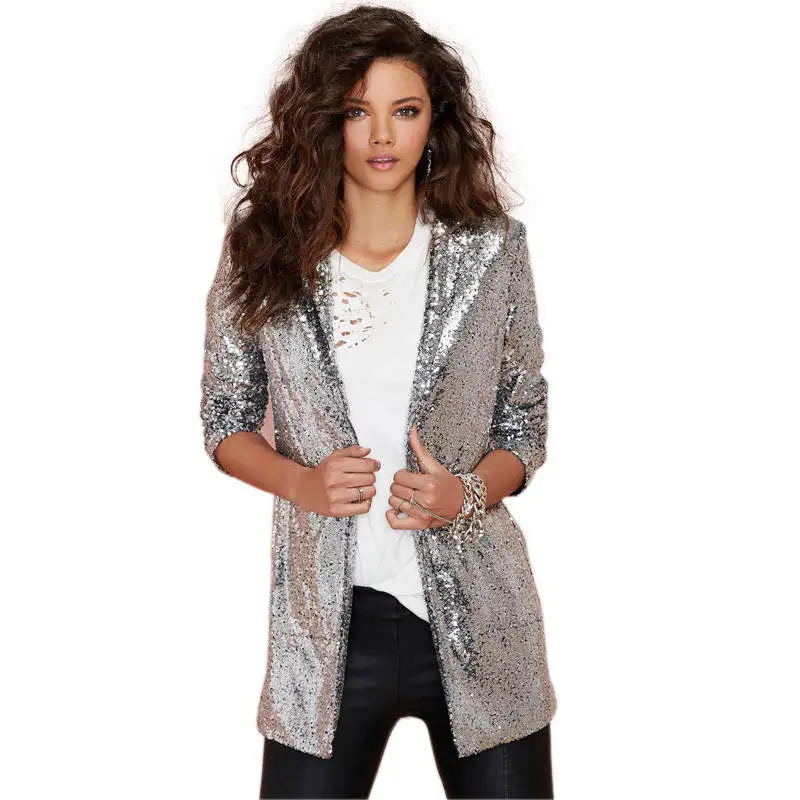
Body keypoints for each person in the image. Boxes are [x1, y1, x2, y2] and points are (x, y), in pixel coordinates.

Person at [200, 5, 557, 798]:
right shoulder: (265, 252)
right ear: (325, 121)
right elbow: (225, 418)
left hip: (482, 622)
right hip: (327, 633)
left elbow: (524, 422)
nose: (383, 135)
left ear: (437, 122)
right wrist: (301, 482)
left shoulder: (491, 249)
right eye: (358, 112)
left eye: (406, 110)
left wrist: (465, 493)